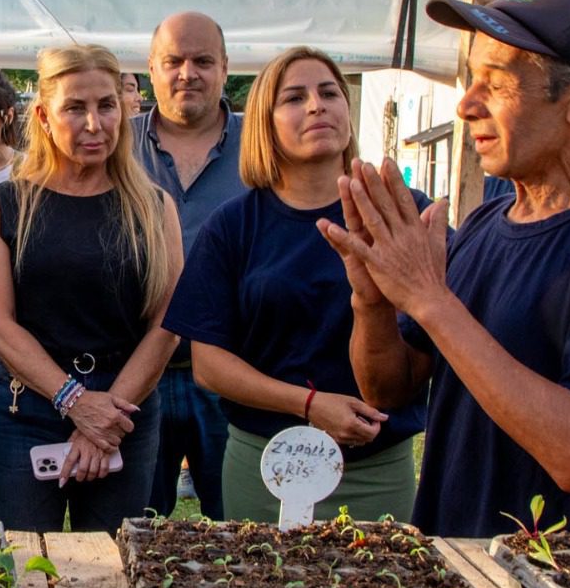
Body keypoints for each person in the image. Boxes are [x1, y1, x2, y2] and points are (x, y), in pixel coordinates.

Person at [320, 0, 570, 537]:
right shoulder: (484, 227)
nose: (467, 104)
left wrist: (430, 300)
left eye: (495, 84)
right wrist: (373, 301)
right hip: (457, 571)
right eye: (472, 79)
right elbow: (389, 390)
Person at [164, 47, 423, 523]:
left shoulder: (401, 213)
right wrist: (308, 404)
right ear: (265, 122)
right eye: (294, 97)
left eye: (329, 93)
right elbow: (209, 366)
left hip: (376, 471)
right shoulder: (235, 226)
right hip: (269, 465)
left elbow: (434, 336)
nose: (316, 106)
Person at [0, 44, 183, 533]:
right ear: (44, 116)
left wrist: (105, 420)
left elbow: (168, 324)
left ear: (125, 109)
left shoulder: (155, 208)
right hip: (24, 413)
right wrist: (75, 401)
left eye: (106, 105)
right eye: (75, 108)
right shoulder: (6, 204)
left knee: (117, 570)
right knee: (26, 571)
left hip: (125, 415)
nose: (94, 124)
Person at [132, 12, 248, 519]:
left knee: (242, 528)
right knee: (134, 527)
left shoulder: (264, 145)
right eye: (173, 61)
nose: (187, 73)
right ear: (150, 70)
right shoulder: (116, 144)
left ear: (225, 68)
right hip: (136, 375)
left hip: (233, 376)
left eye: (202, 61)